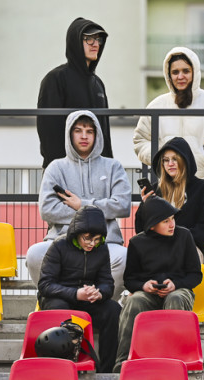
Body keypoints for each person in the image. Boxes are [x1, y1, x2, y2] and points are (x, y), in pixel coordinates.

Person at [25, 110, 131, 297]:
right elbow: (47, 209)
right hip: (62, 241)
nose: (84, 136)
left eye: (90, 131)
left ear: (97, 135)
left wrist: (81, 204)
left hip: (105, 242)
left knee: (123, 257)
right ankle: (55, 300)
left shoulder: (113, 166)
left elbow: (122, 205)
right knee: (34, 254)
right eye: (78, 130)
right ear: (69, 133)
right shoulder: (56, 167)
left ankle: (102, 303)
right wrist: (94, 213)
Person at [114, 197, 202, 371]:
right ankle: (123, 364)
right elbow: (130, 280)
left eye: (173, 219)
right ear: (152, 224)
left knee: (175, 298)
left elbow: (195, 275)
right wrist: (144, 286)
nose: (172, 224)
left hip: (179, 290)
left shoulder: (184, 236)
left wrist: (175, 284)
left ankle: (175, 361)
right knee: (134, 301)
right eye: (166, 221)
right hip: (149, 294)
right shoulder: (137, 243)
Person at [37, 205, 120, 373]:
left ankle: (107, 372)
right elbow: (45, 284)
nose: (92, 244)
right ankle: (61, 370)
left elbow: (107, 283)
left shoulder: (101, 249)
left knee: (113, 310)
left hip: (86, 301)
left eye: (97, 240)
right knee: (59, 309)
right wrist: (75, 294)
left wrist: (99, 293)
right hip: (59, 297)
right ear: (77, 233)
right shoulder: (59, 245)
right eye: (87, 239)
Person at [132, 47, 204, 185]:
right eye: (175, 72)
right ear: (169, 75)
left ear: (194, 72)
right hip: (167, 185)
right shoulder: (157, 105)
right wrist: (162, 158)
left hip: (202, 183)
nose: (180, 76)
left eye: (186, 71)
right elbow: (140, 141)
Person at [36, 18, 112, 169]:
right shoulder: (56, 79)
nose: (95, 44)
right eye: (89, 39)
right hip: (63, 171)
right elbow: (48, 132)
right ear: (75, 42)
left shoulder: (98, 84)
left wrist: (108, 166)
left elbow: (104, 133)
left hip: (96, 171)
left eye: (98, 39)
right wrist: (59, 170)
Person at [135, 137, 204, 262]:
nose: (170, 164)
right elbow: (141, 229)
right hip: (157, 247)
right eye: (166, 160)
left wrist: (178, 240)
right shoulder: (156, 190)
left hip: (189, 247)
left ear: (185, 160)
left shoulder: (202, 188)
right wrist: (146, 207)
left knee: (171, 260)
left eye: (175, 159)